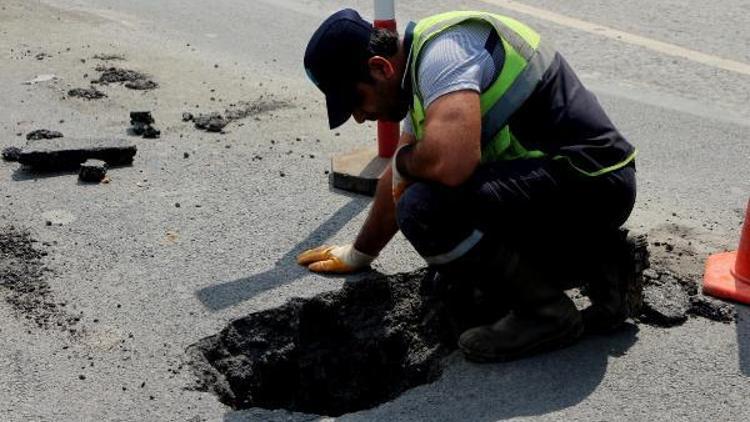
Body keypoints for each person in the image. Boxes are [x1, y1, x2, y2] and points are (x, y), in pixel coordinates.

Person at [298, 9, 638, 362]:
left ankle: (547, 313)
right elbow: (398, 178)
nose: (359, 116)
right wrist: (359, 253)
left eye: (356, 100)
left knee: (425, 210)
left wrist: (403, 163)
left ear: (381, 68)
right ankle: (598, 264)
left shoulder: (444, 58)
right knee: (454, 274)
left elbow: (450, 163)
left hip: (593, 185)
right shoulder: (419, 72)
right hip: (574, 186)